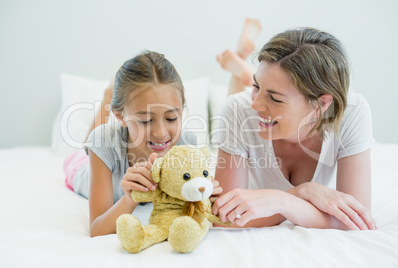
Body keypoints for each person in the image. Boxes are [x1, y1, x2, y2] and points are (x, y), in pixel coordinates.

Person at [212, 21, 377, 231]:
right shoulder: (239, 109)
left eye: (275, 99)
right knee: (238, 103)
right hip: (238, 115)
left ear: (321, 104)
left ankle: (241, 67)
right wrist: (296, 194)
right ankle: (241, 72)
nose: (255, 104)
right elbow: (222, 218)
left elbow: (356, 220)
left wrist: (282, 202)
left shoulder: (352, 112)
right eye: (256, 86)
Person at [63, 51, 222, 237]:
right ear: (120, 116)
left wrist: (207, 196)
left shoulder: (186, 142)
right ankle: (109, 94)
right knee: (91, 141)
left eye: (171, 118)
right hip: (80, 168)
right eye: (146, 121)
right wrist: (129, 199)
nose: (161, 133)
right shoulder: (103, 144)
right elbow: (97, 230)